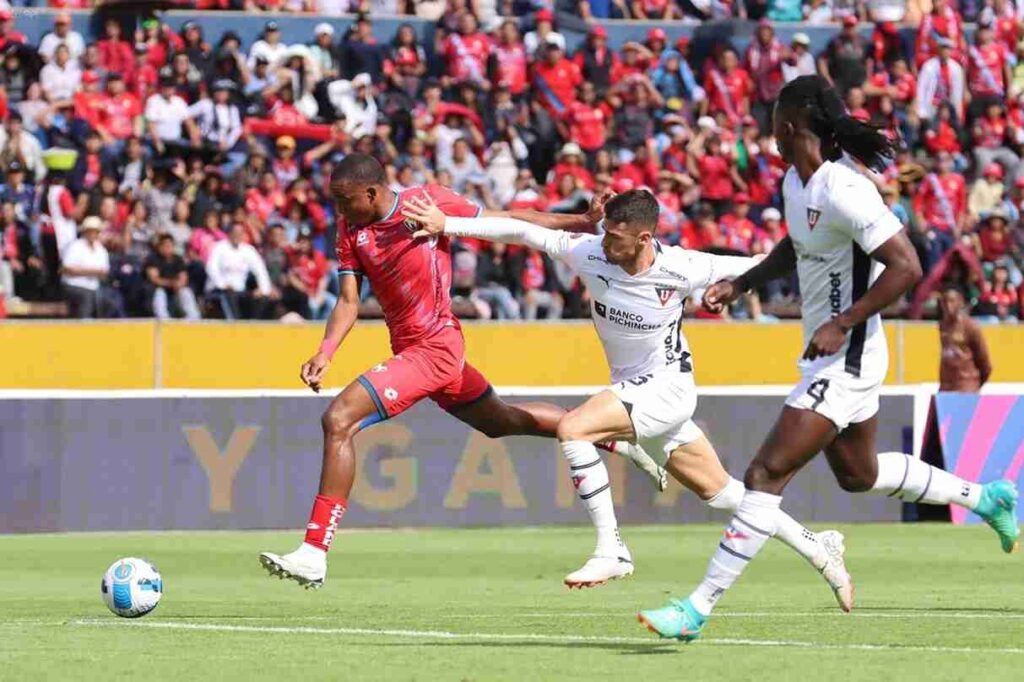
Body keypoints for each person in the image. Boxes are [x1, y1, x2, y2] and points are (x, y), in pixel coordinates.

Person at [638, 75, 1020, 642]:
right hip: (836, 353)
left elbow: (906, 266)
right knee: (858, 474)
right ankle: (987, 497)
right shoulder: (798, 183)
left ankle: (696, 608)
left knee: (765, 473)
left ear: (789, 127)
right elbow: (797, 245)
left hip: (848, 356)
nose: (768, 131)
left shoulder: (848, 188)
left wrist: (843, 323)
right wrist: (743, 282)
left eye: (772, 121)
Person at [402, 188, 854, 597]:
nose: (604, 243)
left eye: (615, 237)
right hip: (636, 392)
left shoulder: (684, 267)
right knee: (724, 495)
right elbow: (522, 232)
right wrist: (450, 226)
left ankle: (611, 549)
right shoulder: (590, 253)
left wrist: (831, 267)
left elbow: (764, 262)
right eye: (604, 233)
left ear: (642, 238)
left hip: (669, 387)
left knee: (575, 428)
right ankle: (820, 547)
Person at [258, 154, 665, 590]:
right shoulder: (350, 229)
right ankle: (610, 437)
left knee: (339, 419)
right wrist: (326, 351)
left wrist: (582, 222)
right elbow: (348, 301)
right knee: (502, 421)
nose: (340, 211)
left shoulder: (427, 203)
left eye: (345, 201)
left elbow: (509, 218)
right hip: (416, 351)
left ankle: (314, 552)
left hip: (435, 348)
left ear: (372, 193)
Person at [938, 286, 992, 392]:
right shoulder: (943, 326)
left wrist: (974, 384)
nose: (948, 306)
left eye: (952, 301)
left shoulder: (970, 326)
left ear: (960, 302)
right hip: (946, 386)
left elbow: (984, 361)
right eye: (945, 302)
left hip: (965, 384)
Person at [61, 216, 110, 319]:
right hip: (73, 285)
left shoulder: (101, 250)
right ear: (85, 232)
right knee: (86, 296)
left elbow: (104, 272)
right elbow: (67, 269)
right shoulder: (75, 246)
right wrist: (92, 272)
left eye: (95, 231)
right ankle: (84, 326)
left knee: (109, 298)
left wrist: (89, 272)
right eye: (90, 231)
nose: (92, 234)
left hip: (94, 287)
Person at [145, 233, 200, 320]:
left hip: (175, 289)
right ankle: (163, 320)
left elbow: (183, 276)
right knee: (160, 293)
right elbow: (154, 278)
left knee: (186, 291)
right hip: (158, 289)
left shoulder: (178, 259)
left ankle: (193, 319)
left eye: (170, 246)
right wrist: (171, 283)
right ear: (160, 247)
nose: (168, 248)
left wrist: (179, 284)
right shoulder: (153, 259)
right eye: (165, 246)